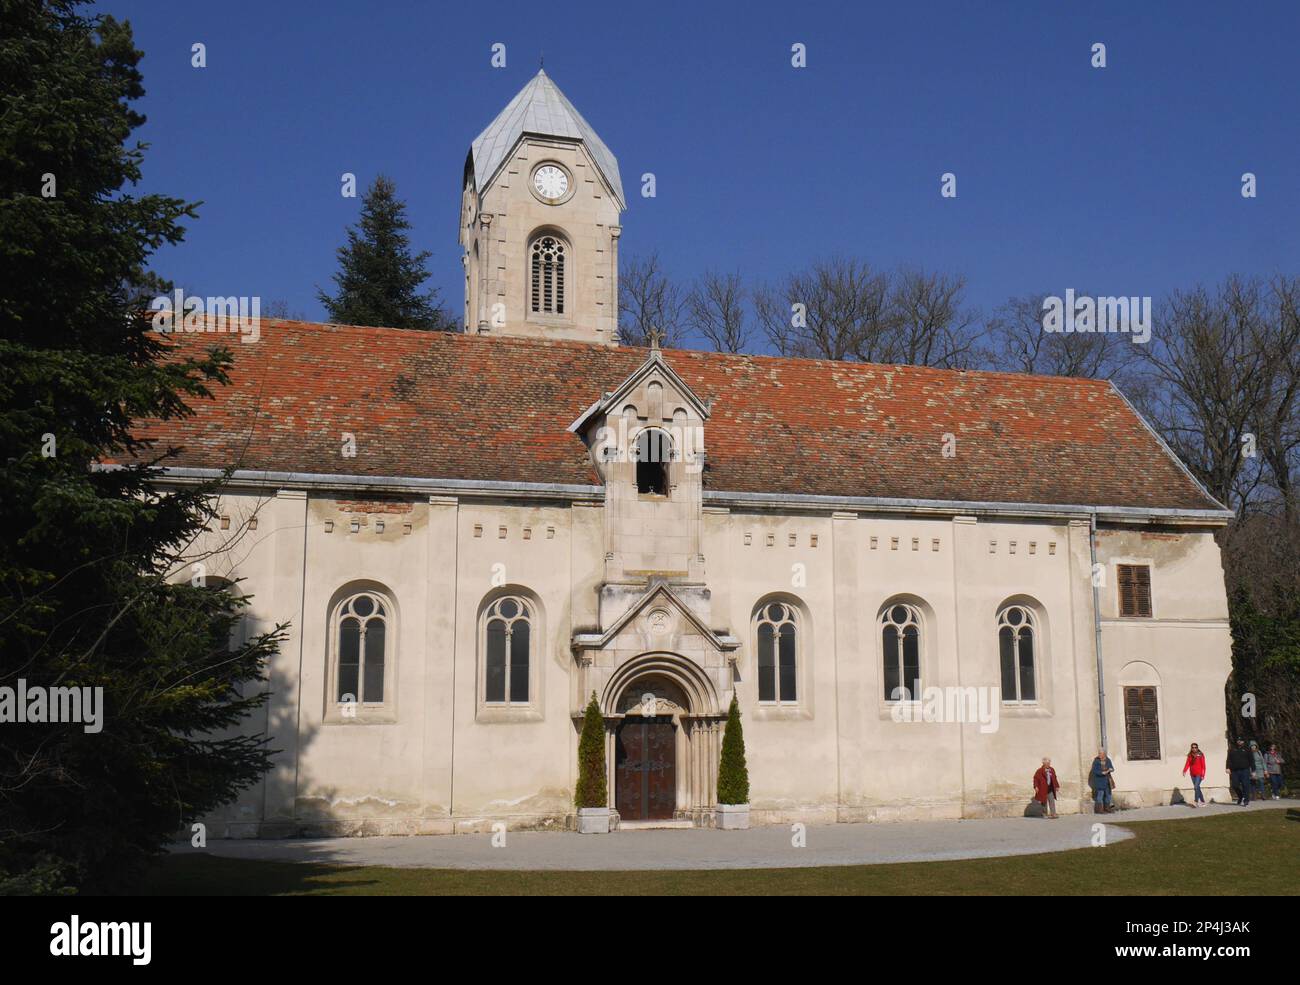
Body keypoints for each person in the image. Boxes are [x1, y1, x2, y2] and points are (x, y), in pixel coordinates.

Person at [1226, 738, 1253, 806]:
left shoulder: (1247, 749)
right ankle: (1240, 796)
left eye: (1241, 740)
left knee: (1245, 785)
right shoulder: (1232, 749)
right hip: (1234, 770)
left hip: (1245, 770)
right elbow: (1229, 759)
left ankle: (1246, 800)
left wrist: (1253, 770)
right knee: (1235, 785)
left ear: (1243, 741)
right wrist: (1227, 768)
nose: (1239, 741)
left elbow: (1251, 760)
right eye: (1238, 740)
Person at [1089, 748, 1115, 813]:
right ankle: (1099, 809)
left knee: (1108, 795)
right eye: (1099, 753)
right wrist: (1101, 773)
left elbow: (1112, 767)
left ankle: (1107, 808)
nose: (1099, 754)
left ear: (1104, 754)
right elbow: (1094, 770)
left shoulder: (1108, 760)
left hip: (1107, 780)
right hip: (1099, 780)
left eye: (1101, 753)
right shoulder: (1096, 761)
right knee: (1100, 795)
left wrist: (1110, 769)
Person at [1182, 742, 1207, 807]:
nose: (1194, 749)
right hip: (1192, 774)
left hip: (1199, 774)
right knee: (1197, 788)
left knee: (1196, 787)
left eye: (1195, 747)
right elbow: (1187, 763)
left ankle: (1196, 801)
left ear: (1197, 748)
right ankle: (1203, 801)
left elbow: (1203, 765)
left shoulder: (1200, 755)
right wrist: (1184, 770)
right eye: (1193, 747)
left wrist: (1203, 775)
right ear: (1191, 748)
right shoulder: (1190, 755)